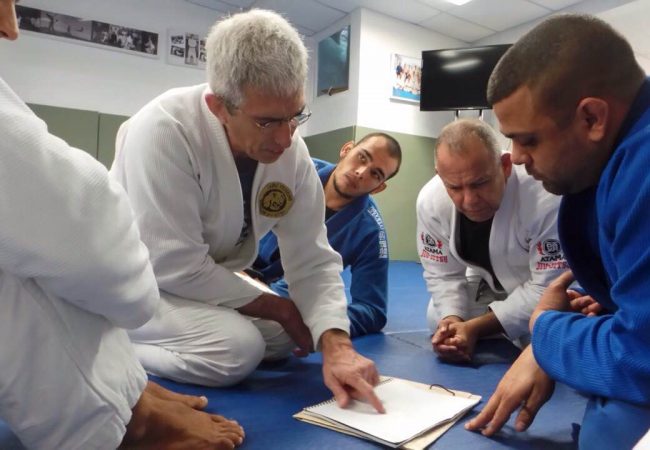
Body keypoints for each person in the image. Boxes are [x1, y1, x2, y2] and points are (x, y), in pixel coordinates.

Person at [110, 9, 383, 412]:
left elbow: (311, 257)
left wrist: (336, 345)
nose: (286, 139)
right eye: (267, 122)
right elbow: (172, 265)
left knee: (290, 334)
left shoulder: (292, 152)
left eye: (295, 116)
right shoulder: (164, 130)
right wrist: (276, 306)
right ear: (219, 107)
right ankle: (111, 341)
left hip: (198, 280)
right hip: (136, 281)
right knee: (237, 351)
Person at [0, 1, 245, 449]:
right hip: (144, 290)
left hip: (150, 292)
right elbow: (84, 230)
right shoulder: (165, 127)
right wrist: (134, 304)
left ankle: (124, 387)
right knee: (41, 248)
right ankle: (114, 417)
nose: (11, 27)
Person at [464, 14, 650, 449]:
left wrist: (546, 333)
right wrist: (600, 303)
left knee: (613, 431)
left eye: (528, 140)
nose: (516, 157)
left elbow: (640, 360)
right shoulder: (610, 161)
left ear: (592, 117)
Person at [416, 118, 572, 363]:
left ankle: (506, 328)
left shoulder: (544, 196)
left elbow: (548, 288)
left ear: (505, 166)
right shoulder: (430, 201)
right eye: (454, 187)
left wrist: (475, 328)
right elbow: (442, 275)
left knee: (548, 337)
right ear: (440, 176)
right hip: (486, 281)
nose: (470, 200)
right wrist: (452, 323)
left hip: (538, 283)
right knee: (437, 318)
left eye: (480, 183)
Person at [251, 133, 402, 337]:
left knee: (271, 335)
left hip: (283, 297)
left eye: (375, 174)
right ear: (347, 150)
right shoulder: (295, 170)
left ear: (378, 188)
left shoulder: (370, 232)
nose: (361, 172)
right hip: (232, 268)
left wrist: (324, 322)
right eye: (362, 157)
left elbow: (373, 310)